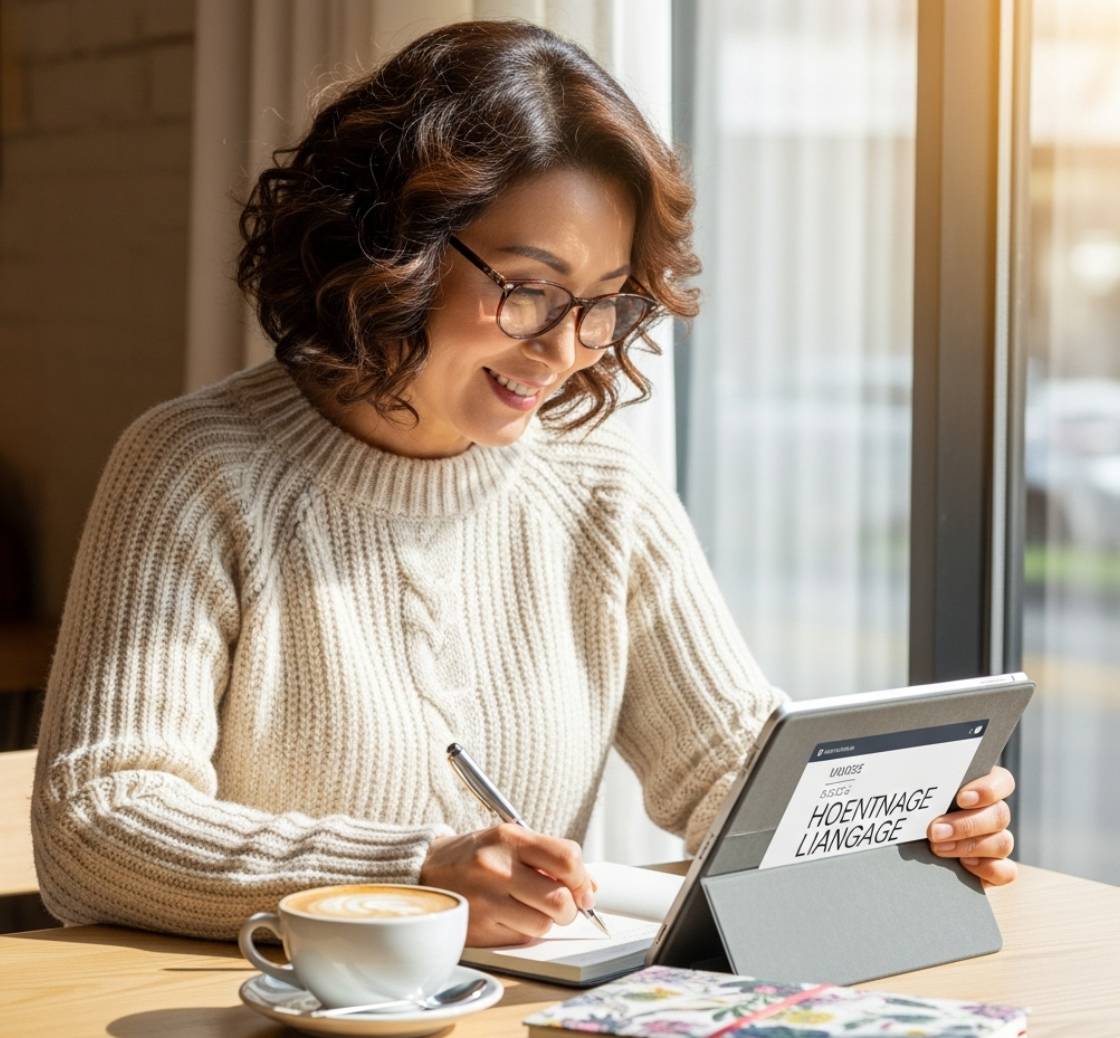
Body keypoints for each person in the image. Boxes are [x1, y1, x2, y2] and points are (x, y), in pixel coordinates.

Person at [31, 21, 1016, 947]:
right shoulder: (198, 467)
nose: (564, 350)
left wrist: (902, 822)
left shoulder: (599, 489)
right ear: (392, 249)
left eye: (600, 305)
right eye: (529, 288)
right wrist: (410, 874)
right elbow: (96, 826)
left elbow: (727, 774)